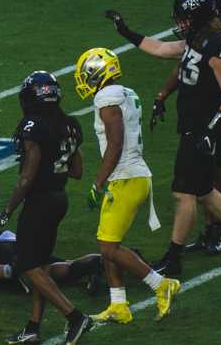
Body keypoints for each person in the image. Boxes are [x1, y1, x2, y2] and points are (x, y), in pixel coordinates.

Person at [103, 0, 221, 275]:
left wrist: (211, 130)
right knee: (203, 190)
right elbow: (161, 49)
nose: (179, 23)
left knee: (183, 193)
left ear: (197, 17)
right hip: (194, 126)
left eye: (183, 18)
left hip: (202, 128)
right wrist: (126, 32)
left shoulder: (215, 45)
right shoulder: (198, 38)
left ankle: (173, 257)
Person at [73, 47, 181, 323]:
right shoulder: (125, 93)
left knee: (108, 247)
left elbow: (116, 143)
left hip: (125, 177)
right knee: (108, 241)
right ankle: (118, 305)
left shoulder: (106, 97)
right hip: (132, 175)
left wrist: (98, 182)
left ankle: (161, 284)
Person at [0, 72, 93, 345]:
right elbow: (77, 170)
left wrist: (9, 209)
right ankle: (33, 327)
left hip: (39, 201)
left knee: (27, 265)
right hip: (59, 198)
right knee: (41, 264)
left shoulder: (33, 125)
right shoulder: (70, 124)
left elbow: (27, 175)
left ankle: (74, 316)